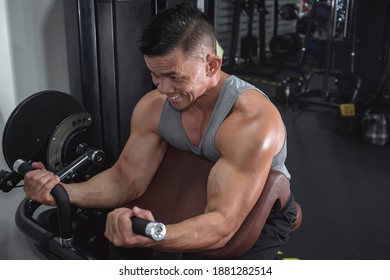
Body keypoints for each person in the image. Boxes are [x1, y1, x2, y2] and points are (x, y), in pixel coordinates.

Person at [23, 3, 297, 259]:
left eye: (174, 76)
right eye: (155, 74)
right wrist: (60, 192)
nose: (162, 89)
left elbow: (224, 223)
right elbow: (125, 178)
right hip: (201, 195)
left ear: (211, 65)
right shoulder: (154, 107)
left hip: (258, 211)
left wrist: (155, 236)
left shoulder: (251, 120)